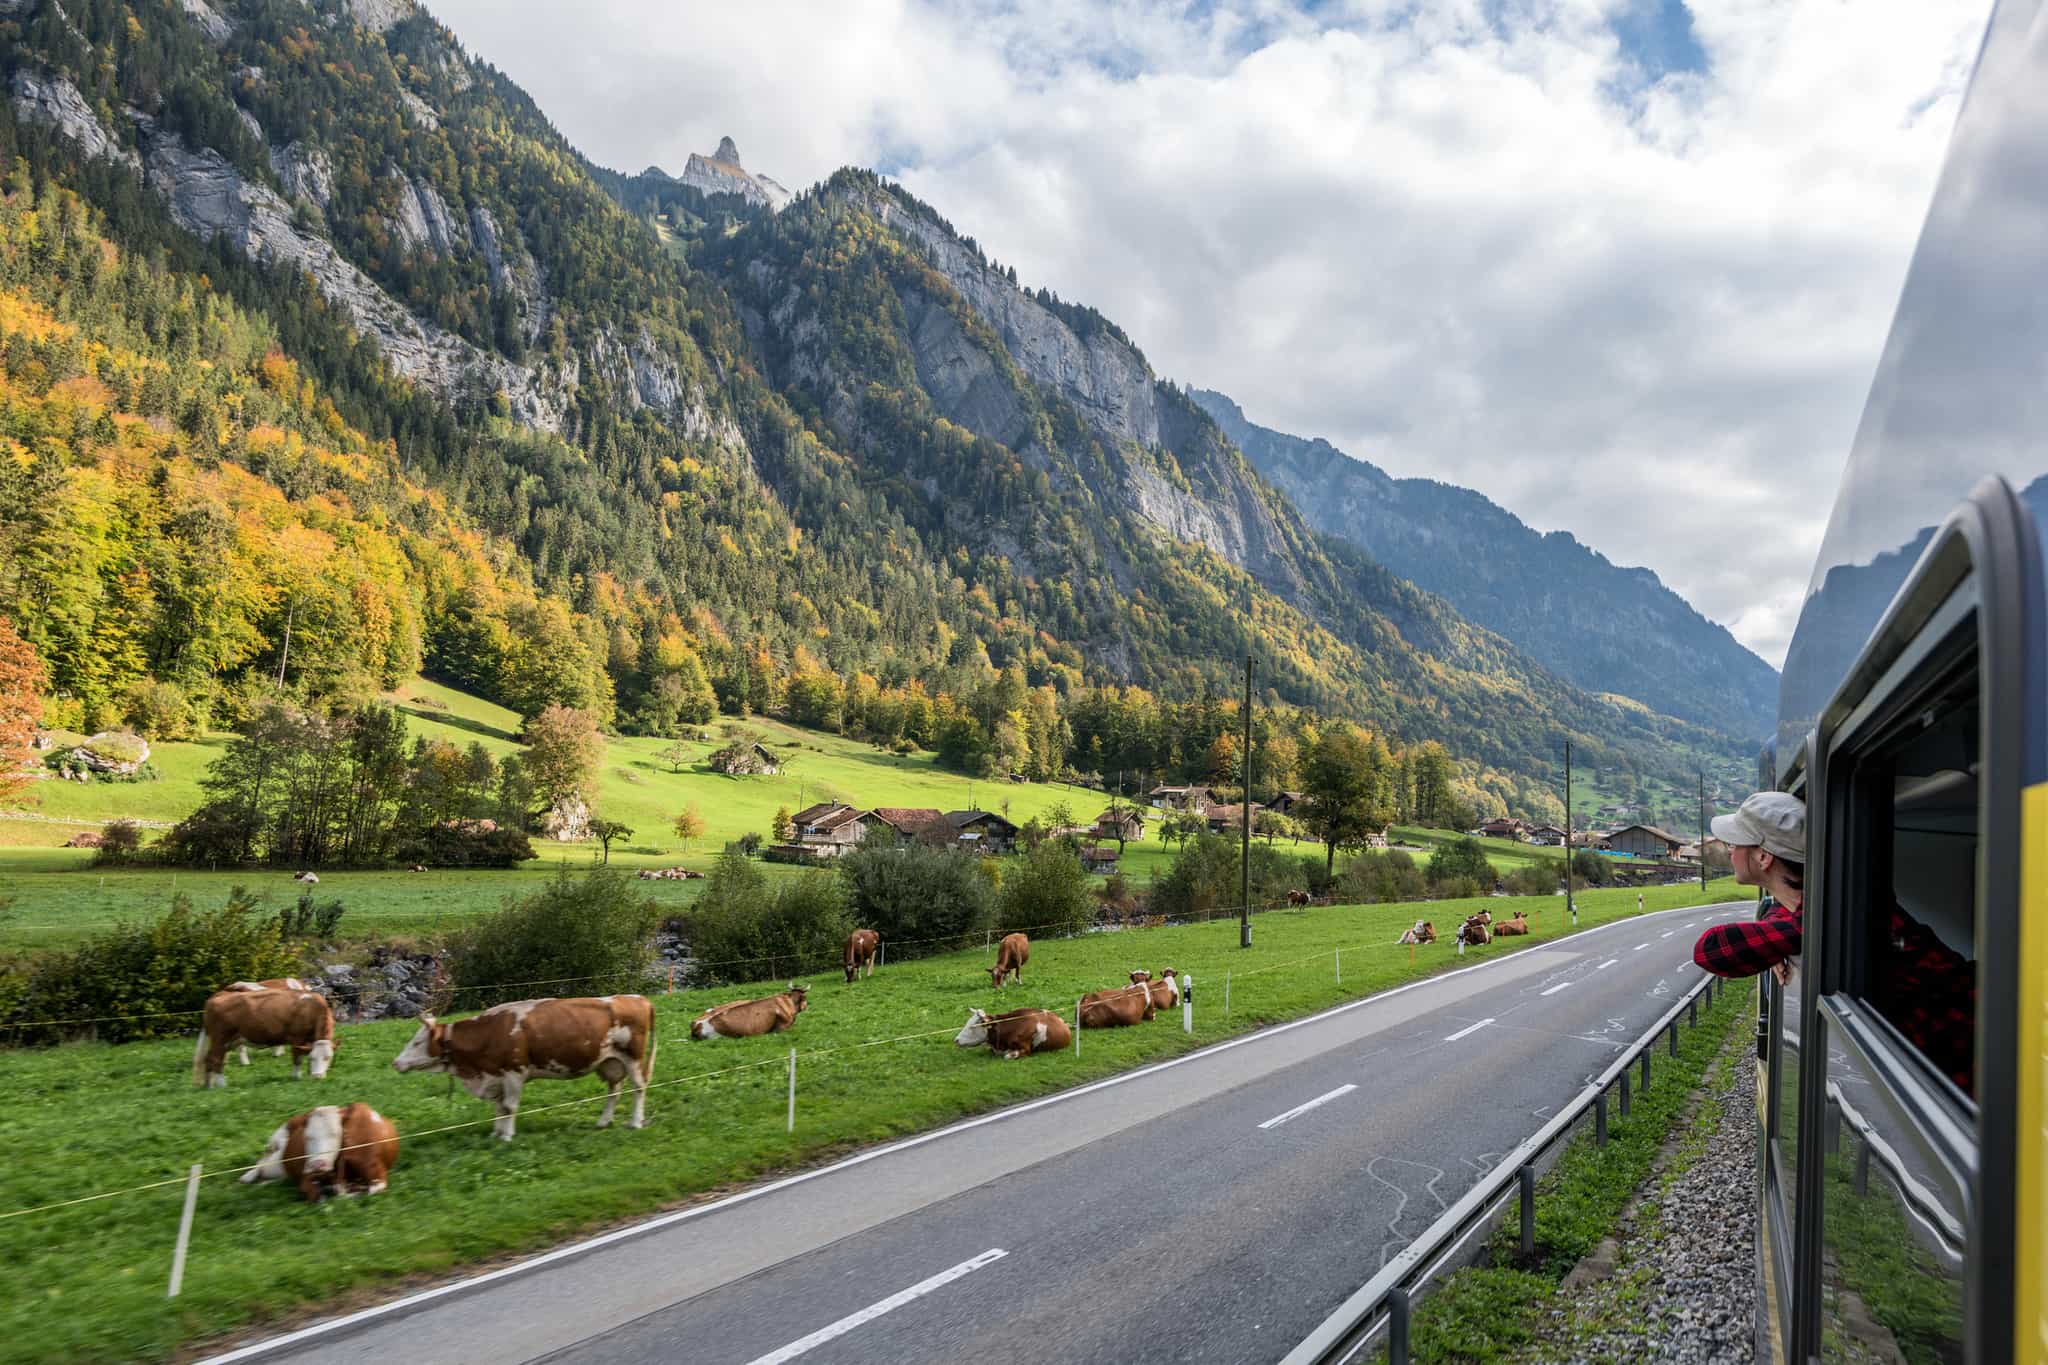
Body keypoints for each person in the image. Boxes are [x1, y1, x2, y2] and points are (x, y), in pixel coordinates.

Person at [1692, 791, 1975, 1096]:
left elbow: (1710, 950)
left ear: (1763, 856)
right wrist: (1775, 936)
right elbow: (1786, 915)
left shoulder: (1837, 915)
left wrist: (1781, 938)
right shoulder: (1820, 904)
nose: (1730, 849)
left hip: (1963, 1069)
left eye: (1737, 842)